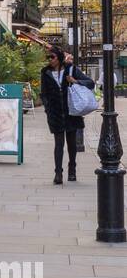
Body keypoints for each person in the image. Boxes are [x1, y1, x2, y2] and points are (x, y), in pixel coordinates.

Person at [40, 46, 95, 184]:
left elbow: (91, 83)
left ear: (59, 57)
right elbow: (44, 93)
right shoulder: (45, 72)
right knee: (58, 144)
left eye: (52, 57)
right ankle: (58, 173)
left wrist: (75, 81)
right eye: (48, 57)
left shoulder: (71, 69)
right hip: (56, 113)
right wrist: (48, 109)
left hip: (72, 112)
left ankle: (72, 170)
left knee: (71, 144)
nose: (50, 60)